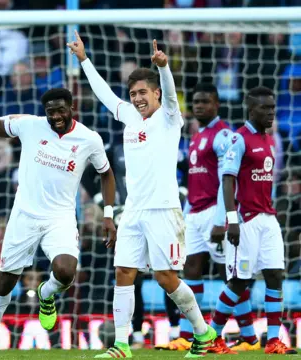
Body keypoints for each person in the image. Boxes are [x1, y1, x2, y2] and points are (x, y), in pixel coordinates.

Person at [68, 31, 217, 358]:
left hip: (164, 210)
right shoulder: (130, 118)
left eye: (143, 93)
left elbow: (172, 94)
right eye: (133, 93)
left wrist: (163, 67)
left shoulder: (169, 118)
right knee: (123, 272)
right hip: (133, 211)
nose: (137, 98)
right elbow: (105, 95)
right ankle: (122, 344)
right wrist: (83, 60)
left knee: (166, 278)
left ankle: (204, 333)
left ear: (156, 93)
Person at [0, 81, 117, 359]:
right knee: (5, 282)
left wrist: (108, 214)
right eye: (50, 112)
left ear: (72, 108)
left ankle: (46, 294)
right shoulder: (31, 125)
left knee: (66, 271)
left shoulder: (89, 138)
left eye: (60, 111)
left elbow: (106, 173)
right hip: (24, 216)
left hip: (60, 218)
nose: (55, 117)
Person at [158, 84, 260, 353]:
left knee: (231, 275)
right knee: (190, 269)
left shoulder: (223, 134)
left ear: (217, 104)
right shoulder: (196, 135)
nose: (199, 106)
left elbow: (229, 179)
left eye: (205, 101)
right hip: (194, 214)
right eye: (195, 102)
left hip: (214, 215)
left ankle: (249, 336)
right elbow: (197, 180)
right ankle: (185, 334)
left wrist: (221, 219)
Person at [210, 86, 297, 355]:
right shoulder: (239, 139)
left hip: (267, 218)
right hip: (245, 220)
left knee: (275, 276)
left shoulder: (268, 140)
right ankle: (212, 337)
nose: (271, 112)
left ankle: (272, 340)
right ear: (251, 109)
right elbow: (227, 180)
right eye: (265, 108)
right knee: (239, 281)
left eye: (273, 107)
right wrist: (231, 219)